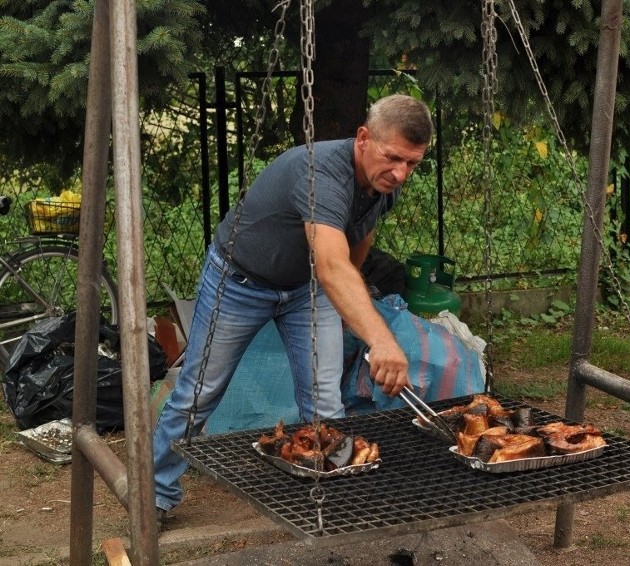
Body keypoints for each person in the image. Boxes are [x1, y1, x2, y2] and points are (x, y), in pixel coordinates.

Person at [152, 94, 433, 523]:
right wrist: (381, 339)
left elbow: (359, 238)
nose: (400, 173)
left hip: (308, 287)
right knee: (198, 394)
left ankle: (329, 500)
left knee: (324, 402)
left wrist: (344, 303)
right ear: (363, 139)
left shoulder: (383, 184)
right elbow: (331, 262)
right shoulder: (321, 172)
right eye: (393, 157)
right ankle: (156, 493)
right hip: (239, 280)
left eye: (412, 164)